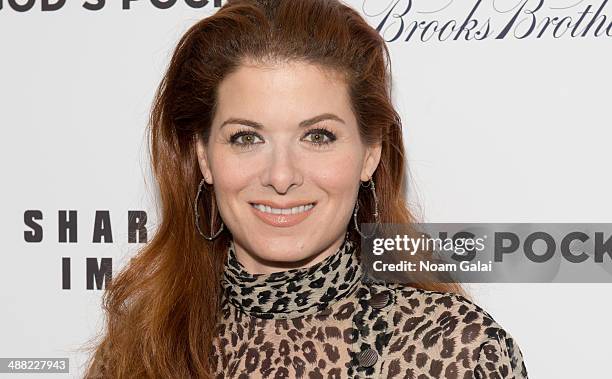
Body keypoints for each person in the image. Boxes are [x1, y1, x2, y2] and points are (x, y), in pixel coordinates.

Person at [83, 0, 528, 378]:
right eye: (246, 137)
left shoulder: (455, 351)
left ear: (370, 153)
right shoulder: (140, 350)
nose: (281, 176)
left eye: (317, 136)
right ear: (203, 156)